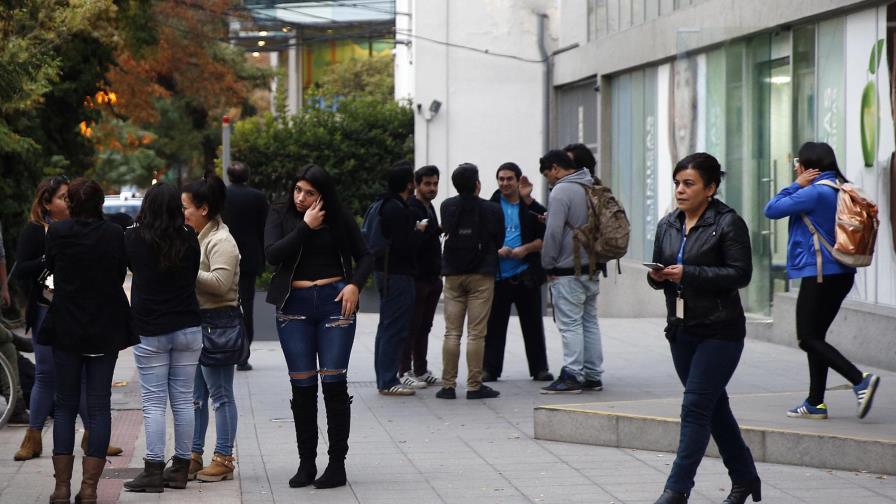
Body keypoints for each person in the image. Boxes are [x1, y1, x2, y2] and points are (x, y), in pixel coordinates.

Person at [647, 153, 759, 504]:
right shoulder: (668, 224)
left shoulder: (727, 223)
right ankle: (745, 478)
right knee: (714, 408)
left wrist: (689, 273)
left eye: (689, 184)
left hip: (720, 330)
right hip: (681, 330)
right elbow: (662, 276)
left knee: (695, 408)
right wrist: (657, 276)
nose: (680, 190)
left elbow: (741, 274)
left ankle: (676, 491)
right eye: (678, 183)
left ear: (710, 188)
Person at [264, 164, 372, 489]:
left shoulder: (339, 217)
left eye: (309, 193)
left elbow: (366, 256)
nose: (300, 197)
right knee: (302, 385)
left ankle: (336, 464)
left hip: (334, 301)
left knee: (334, 383)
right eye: (298, 190)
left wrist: (354, 285)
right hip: (293, 306)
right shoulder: (280, 213)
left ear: (322, 194)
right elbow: (272, 254)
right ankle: (306, 463)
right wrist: (305, 227)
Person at [764, 142, 880, 420]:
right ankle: (815, 402)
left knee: (807, 338)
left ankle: (859, 380)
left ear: (807, 166)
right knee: (816, 338)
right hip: (841, 274)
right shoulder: (841, 187)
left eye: (798, 162)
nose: (796, 166)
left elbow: (772, 209)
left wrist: (795, 183)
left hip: (819, 274)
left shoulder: (814, 192)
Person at [40, 178, 137, 504]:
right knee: (99, 407)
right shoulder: (114, 234)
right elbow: (121, 272)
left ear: (71, 204)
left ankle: (62, 488)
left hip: (66, 326)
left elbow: (51, 270)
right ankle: (91, 489)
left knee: (65, 405)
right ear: (99, 204)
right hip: (105, 327)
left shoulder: (58, 233)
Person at [13, 177, 124, 461]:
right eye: (60, 197)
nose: (64, 201)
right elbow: (23, 269)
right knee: (48, 376)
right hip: (50, 308)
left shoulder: (66, 232)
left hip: (73, 311)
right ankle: (34, 435)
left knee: (77, 392)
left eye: (67, 196)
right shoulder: (42, 232)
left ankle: (90, 438)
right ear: (47, 202)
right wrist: (50, 259)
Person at [123, 183, 202, 492]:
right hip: (188, 326)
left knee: (154, 402)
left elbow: (130, 267)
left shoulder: (133, 238)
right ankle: (181, 469)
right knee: (183, 399)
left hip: (150, 328)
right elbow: (194, 273)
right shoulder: (190, 238)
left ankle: (154, 470)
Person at [182, 174, 241, 483]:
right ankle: (194, 455)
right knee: (196, 396)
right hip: (199, 324)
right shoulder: (198, 236)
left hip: (218, 325)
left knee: (220, 394)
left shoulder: (222, 241)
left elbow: (219, 285)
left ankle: (224, 458)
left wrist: (187, 267)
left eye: (186, 207)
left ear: (204, 208)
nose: (183, 213)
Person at [435, 163, 504, 400]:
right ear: (477, 184)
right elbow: (500, 239)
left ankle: (448, 386)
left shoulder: (447, 206)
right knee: (476, 333)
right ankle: (474, 385)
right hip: (482, 275)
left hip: (453, 274)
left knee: (451, 333)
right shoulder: (492, 209)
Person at [539, 150, 604, 394]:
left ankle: (572, 375)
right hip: (592, 267)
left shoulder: (562, 190)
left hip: (567, 269)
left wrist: (547, 263)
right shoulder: (590, 185)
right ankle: (593, 374)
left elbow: (554, 232)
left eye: (549, 175)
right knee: (589, 322)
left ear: (555, 168)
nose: (550, 180)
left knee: (570, 325)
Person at [483, 162, 552, 383]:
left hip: (526, 274)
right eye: (501, 179)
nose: (505, 183)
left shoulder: (531, 207)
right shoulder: (489, 207)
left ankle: (539, 368)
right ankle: (490, 369)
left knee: (533, 324)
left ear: (518, 180)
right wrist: (496, 251)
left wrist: (525, 249)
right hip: (498, 276)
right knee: (494, 326)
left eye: (509, 179)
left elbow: (546, 235)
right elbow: (481, 240)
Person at [372, 162, 425, 396]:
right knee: (394, 328)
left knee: (385, 327)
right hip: (398, 274)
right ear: (408, 184)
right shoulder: (398, 208)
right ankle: (388, 380)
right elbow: (405, 246)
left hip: (382, 271)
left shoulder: (381, 203)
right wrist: (418, 231)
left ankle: (384, 377)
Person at [222, 161, 269, 371]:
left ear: (229, 176)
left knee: (224, 303)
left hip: (222, 255)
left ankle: (224, 348)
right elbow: (263, 228)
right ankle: (243, 355)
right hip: (249, 257)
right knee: (247, 306)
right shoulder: (258, 197)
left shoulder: (221, 196)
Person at [399, 165, 442, 389]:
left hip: (433, 277)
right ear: (416, 184)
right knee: (412, 325)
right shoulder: (411, 208)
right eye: (427, 183)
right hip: (417, 277)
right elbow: (410, 244)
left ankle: (421, 369)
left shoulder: (430, 207)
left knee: (425, 326)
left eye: (435, 183)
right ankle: (404, 369)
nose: (432, 188)